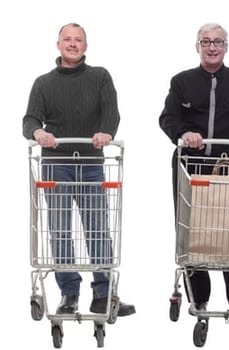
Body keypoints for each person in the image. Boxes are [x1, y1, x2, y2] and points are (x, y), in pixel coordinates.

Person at [21, 22, 136, 318]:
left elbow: (112, 112)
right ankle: (69, 294)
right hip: (56, 164)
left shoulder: (99, 77)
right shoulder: (43, 83)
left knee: (98, 230)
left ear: (86, 46)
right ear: (58, 45)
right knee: (60, 230)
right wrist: (38, 134)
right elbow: (30, 120)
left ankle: (103, 293)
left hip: (91, 164)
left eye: (78, 40)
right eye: (67, 40)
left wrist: (105, 133)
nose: (73, 44)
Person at [158, 22, 229, 313]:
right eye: (206, 42)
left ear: (225, 47)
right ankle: (199, 297)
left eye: (217, 42)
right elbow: (167, 118)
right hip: (190, 166)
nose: (211, 47)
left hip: (225, 168)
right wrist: (183, 134)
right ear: (197, 47)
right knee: (192, 231)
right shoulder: (181, 81)